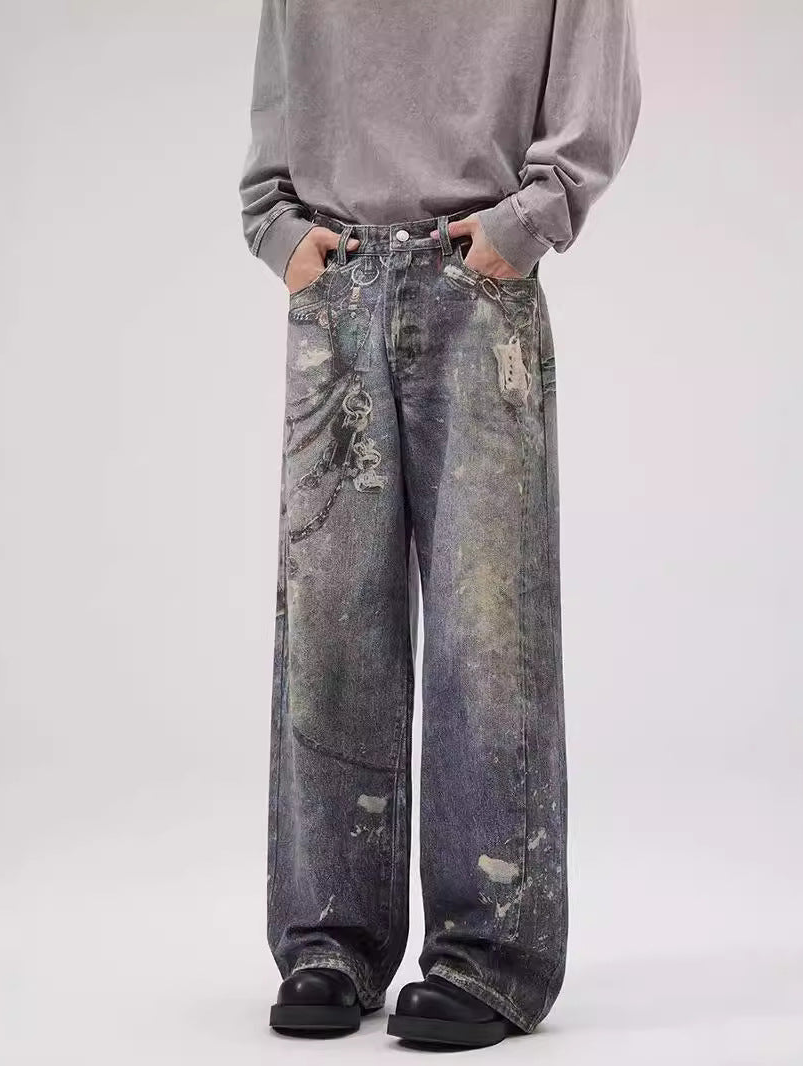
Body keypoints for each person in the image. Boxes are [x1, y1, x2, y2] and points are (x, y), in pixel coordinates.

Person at [239, 0, 641, 1049]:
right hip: (337, 281)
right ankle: (330, 936)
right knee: (332, 629)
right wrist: (279, 228)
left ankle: (490, 954)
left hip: (476, 280)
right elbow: (279, 87)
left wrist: (528, 221)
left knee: (485, 635)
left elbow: (595, 85)